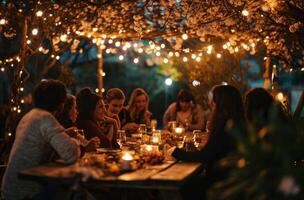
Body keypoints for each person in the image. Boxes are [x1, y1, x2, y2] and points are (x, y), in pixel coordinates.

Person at [1, 80, 80, 200]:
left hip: (9, 190)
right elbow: (71, 155)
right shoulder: (45, 118)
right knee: (76, 190)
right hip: (26, 193)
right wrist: (76, 141)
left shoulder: (30, 116)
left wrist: (64, 135)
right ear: (60, 104)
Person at [171, 85, 245, 199]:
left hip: (219, 183)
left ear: (220, 103)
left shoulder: (225, 127)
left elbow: (204, 156)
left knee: (181, 187)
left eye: (213, 99)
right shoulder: (236, 124)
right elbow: (211, 152)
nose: (211, 103)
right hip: (231, 179)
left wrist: (175, 152)